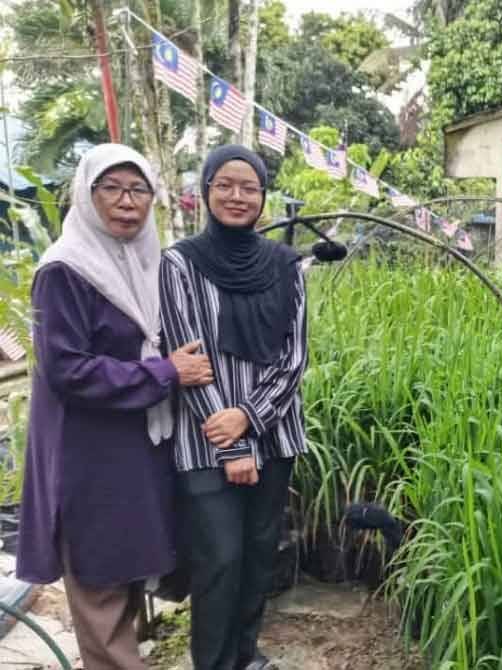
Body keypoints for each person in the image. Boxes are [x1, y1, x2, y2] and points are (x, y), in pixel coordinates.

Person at [17, 143, 213, 669]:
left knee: (126, 570)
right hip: (90, 454)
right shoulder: (65, 270)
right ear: (86, 195)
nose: (127, 202)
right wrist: (167, 372)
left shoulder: (145, 263)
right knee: (100, 580)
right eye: (112, 188)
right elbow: (67, 370)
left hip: (138, 445)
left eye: (138, 189)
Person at [159, 145, 307, 670]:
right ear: (206, 191)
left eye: (249, 187)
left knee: (258, 555)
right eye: (224, 184)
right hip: (205, 439)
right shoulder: (179, 263)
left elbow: (294, 357)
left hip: (274, 433)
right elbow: (187, 358)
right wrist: (234, 441)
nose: (237, 196)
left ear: (263, 196)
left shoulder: (286, 265)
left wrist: (249, 417)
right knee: (219, 560)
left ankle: (246, 655)